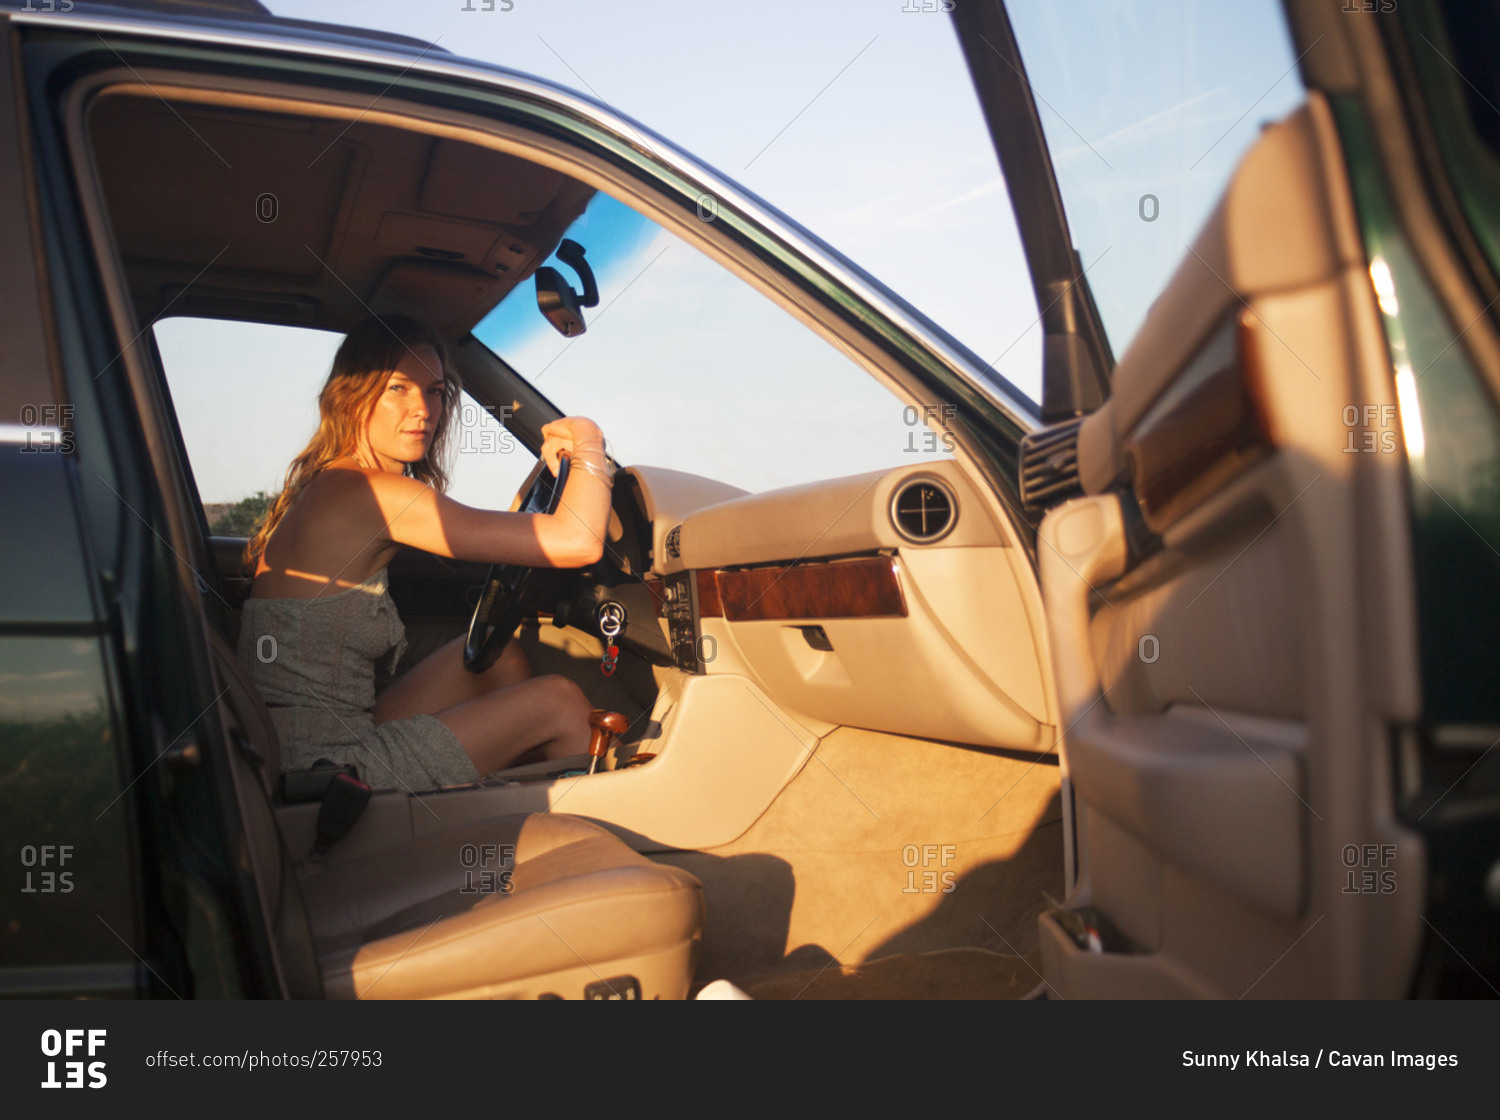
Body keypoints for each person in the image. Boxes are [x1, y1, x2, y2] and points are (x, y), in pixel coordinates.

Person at [235, 313, 614, 792]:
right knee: (560, 702)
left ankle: (494, 812)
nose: (423, 409)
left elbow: (516, 535)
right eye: (398, 388)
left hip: (301, 740)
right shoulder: (370, 494)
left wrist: (548, 469)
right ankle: (598, 839)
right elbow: (578, 541)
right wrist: (589, 439)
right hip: (322, 766)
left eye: (434, 391)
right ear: (352, 398)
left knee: (502, 661)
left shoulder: (340, 482)